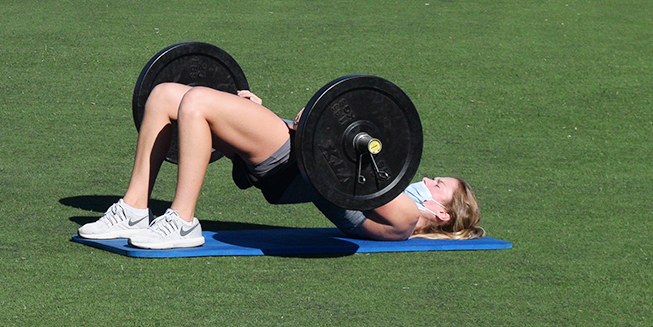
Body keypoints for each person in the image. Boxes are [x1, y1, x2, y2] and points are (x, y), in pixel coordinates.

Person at [77, 80, 483, 249]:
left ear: (442, 212)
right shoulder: (395, 205)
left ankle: (182, 221)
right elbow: (337, 168)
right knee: (165, 94)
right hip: (292, 155)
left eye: (436, 184)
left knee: (197, 102)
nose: (426, 178)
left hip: (291, 163)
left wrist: (325, 131)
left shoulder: (404, 221)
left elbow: (345, 178)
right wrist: (283, 119)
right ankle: (133, 210)